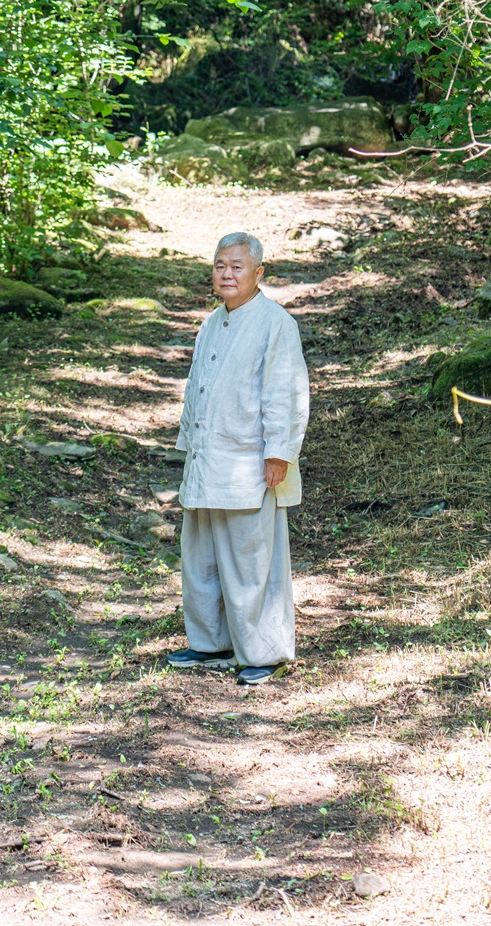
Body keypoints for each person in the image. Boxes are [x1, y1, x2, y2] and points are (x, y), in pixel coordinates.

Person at [168, 232, 309, 686]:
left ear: (258, 273)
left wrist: (278, 453)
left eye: (237, 266)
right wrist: (189, 445)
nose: (226, 274)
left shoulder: (275, 323)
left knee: (252, 558)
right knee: (201, 556)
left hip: (251, 460)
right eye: (219, 266)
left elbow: (285, 393)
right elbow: (196, 390)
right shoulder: (211, 322)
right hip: (208, 458)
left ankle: (263, 652)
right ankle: (211, 642)